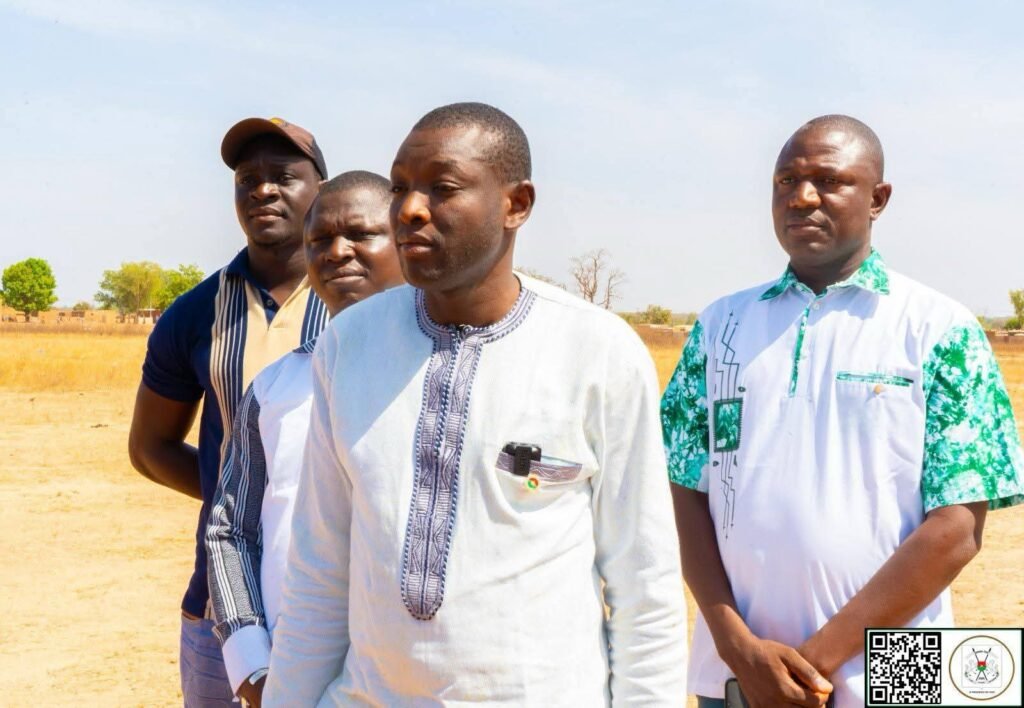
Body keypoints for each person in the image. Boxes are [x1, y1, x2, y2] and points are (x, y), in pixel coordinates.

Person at [263, 102, 688, 705]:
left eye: (442, 188)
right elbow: (318, 570)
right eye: (401, 187)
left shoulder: (597, 351)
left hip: (870, 654)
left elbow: (644, 586)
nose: (409, 209)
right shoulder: (349, 345)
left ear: (516, 204)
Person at [661, 114, 1024, 708]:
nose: (802, 197)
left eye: (829, 181)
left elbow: (957, 530)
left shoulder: (937, 328)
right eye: (786, 181)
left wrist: (812, 664)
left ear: (877, 199)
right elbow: (686, 489)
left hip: (900, 669)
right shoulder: (720, 327)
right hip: (735, 670)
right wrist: (739, 649)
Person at [128, 117, 330, 706]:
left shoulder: (366, 303)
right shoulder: (194, 314)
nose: (263, 191)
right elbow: (150, 448)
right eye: (247, 180)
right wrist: (243, 498)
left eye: (283, 177)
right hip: (220, 608)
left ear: (321, 188)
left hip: (344, 602)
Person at [205, 170, 405, 707]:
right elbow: (231, 528)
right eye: (319, 240)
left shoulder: (447, 375)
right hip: (295, 680)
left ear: (408, 242)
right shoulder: (275, 387)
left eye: (361, 235)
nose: (337, 252)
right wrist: (253, 668)